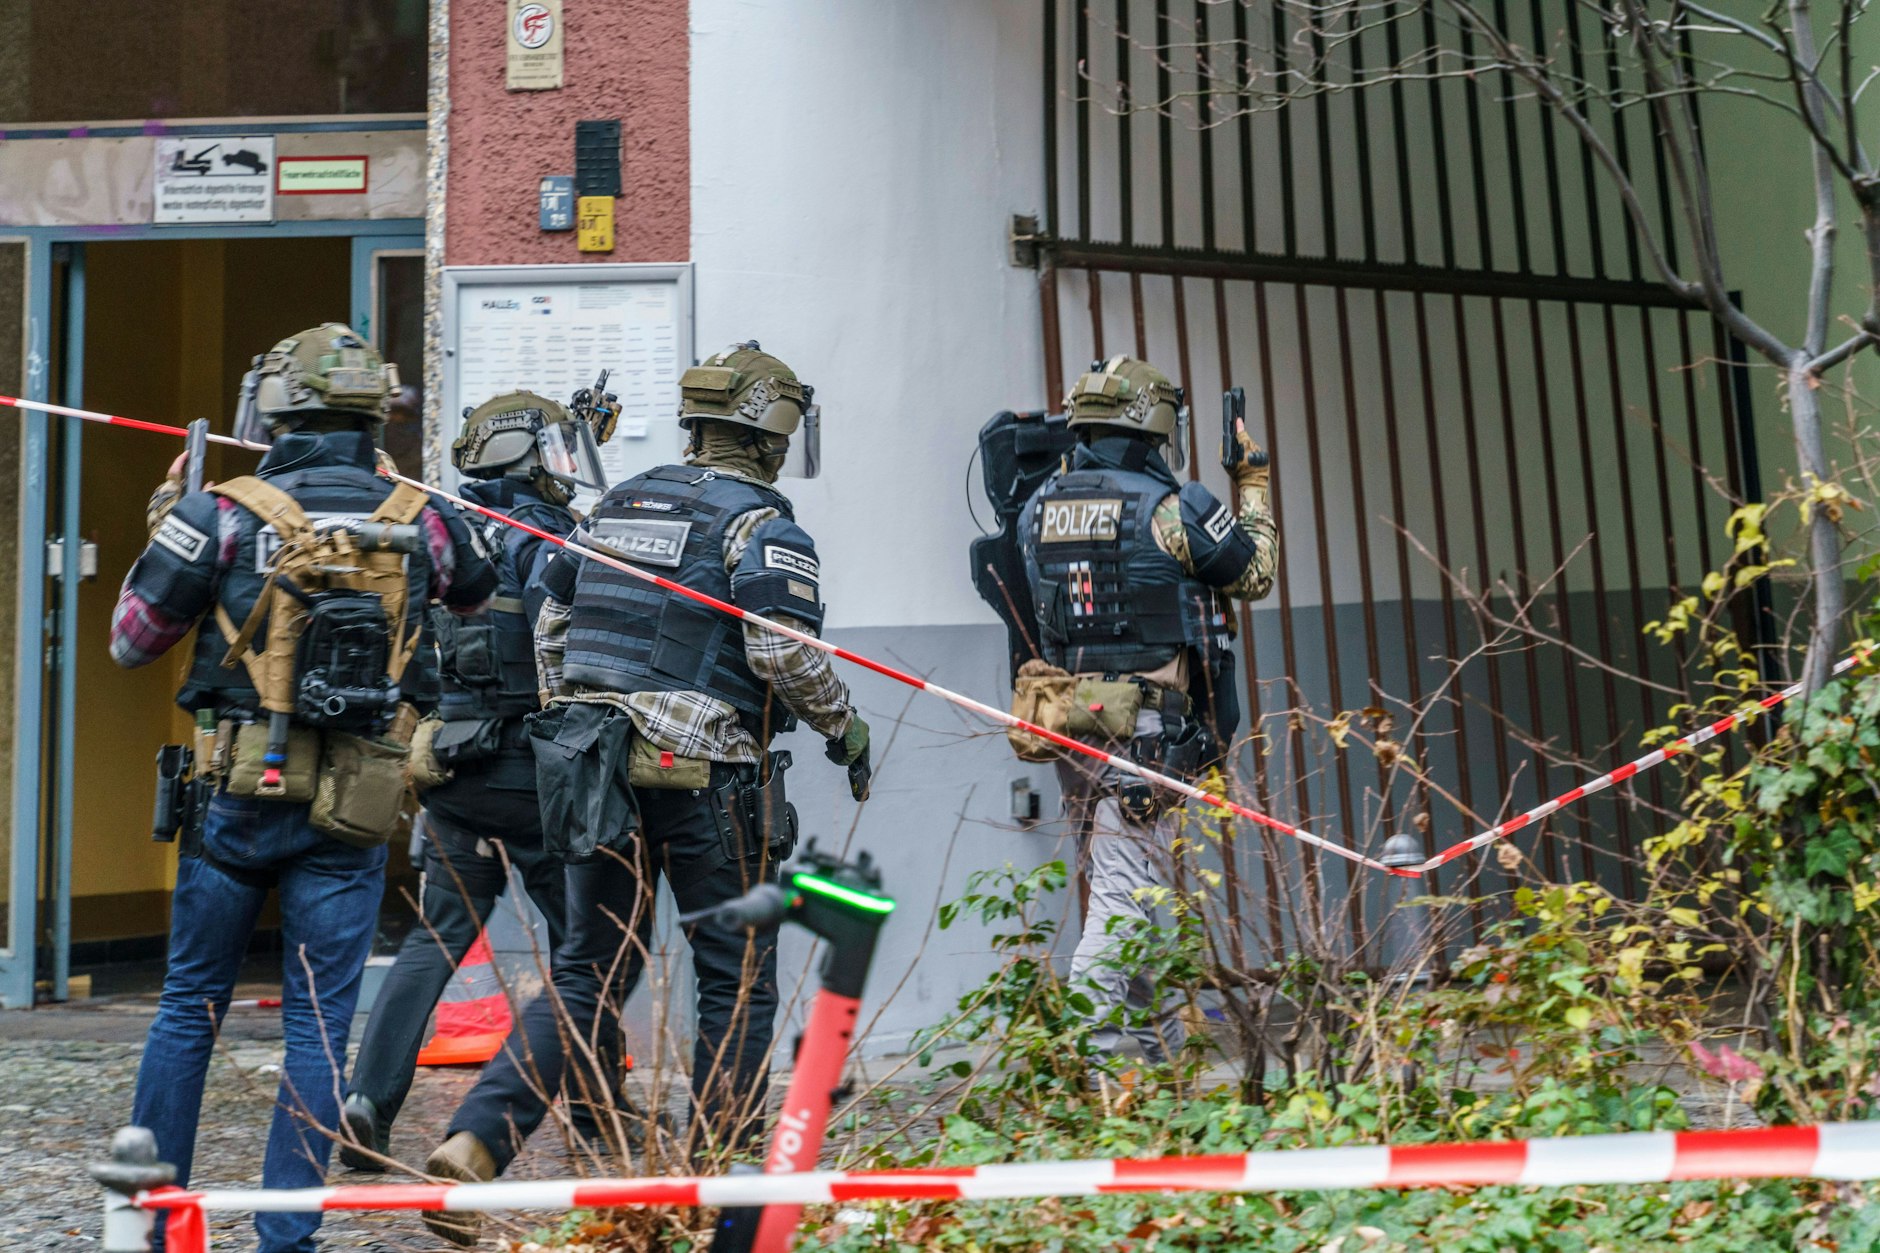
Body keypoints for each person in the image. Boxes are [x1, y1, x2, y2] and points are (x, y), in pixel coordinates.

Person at [420, 341, 871, 1246]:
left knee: (588, 967)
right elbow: (782, 651)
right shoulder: (764, 526)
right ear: (773, 436)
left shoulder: (615, 504)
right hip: (706, 775)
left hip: (593, 767)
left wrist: (572, 714)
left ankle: (473, 1148)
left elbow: (552, 618)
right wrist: (842, 723)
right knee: (733, 975)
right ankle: (717, 1178)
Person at [112, 324, 496, 1253]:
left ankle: (156, 1229)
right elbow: (477, 596)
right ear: (375, 412)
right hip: (355, 805)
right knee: (321, 1025)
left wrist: (167, 521)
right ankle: (288, 1238)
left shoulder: (220, 511)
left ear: (275, 410)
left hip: (237, 796)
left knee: (188, 1005)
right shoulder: (424, 513)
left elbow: (133, 637)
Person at [339, 391, 592, 1170]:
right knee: (588, 953)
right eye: (551, 452)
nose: (563, 469)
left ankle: (366, 1102)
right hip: (536, 775)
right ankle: (595, 1113)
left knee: (436, 937)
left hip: (450, 769)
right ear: (521, 457)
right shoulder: (548, 539)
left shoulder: (437, 526)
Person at [1018, 355, 1277, 1066]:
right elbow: (1253, 572)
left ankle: (1155, 1048)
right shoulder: (1172, 508)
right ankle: (1100, 1056)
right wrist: (1250, 481)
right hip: (1150, 728)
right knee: (1126, 886)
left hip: (1077, 721)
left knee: (1130, 879)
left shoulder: (1039, 506)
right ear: (1155, 423)